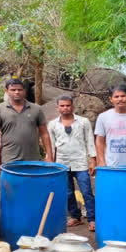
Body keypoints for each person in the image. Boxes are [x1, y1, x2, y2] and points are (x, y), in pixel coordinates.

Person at [48, 96, 97, 231]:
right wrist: (50, 162)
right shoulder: (53, 124)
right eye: (62, 106)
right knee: (68, 192)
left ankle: (92, 219)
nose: (65, 108)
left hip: (80, 162)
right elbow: (51, 145)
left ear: (73, 107)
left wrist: (93, 160)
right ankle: (76, 216)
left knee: (86, 191)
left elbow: (89, 141)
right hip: (62, 163)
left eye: (68, 105)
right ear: (57, 108)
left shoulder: (83, 122)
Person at [0, 78, 53, 176]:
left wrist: (49, 156)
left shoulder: (36, 109)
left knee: (32, 186)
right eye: (13, 90)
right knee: (13, 188)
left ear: (24, 90)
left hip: (33, 159)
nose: (17, 92)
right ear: (6, 91)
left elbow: (44, 133)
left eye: (20, 90)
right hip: (9, 159)